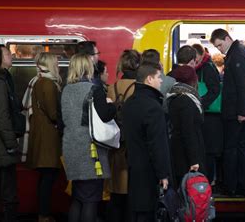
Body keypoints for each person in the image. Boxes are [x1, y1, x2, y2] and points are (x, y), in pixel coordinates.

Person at [61, 54, 116, 222]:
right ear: (87, 68)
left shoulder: (65, 90)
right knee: (91, 200)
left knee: (78, 198)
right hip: (90, 151)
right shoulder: (94, 89)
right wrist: (111, 104)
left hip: (71, 148)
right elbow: (105, 116)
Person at [210, 28, 245, 196]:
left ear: (227, 38)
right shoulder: (241, 51)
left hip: (236, 113)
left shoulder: (236, 54)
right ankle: (243, 185)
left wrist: (242, 111)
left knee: (233, 148)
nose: (219, 49)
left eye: (220, 45)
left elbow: (241, 84)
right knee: (243, 147)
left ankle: (234, 186)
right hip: (241, 110)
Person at [122, 62, 171, 222]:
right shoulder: (153, 107)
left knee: (136, 210)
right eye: (158, 77)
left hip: (133, 165)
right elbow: (157, 144)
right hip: (148, 169)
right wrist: (163, 173)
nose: (161, 81)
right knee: (148, 211)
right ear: (149, 79)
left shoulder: (129, 103)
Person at [23, 52, 62, 222]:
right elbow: (53, 113)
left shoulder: (38, 81)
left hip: (41, 135)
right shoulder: (48, 84)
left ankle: (42, 213)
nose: (59, 65)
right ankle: (44, 214)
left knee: (45, 177)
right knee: (48, 177)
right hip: (48, 137)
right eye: (56, 62)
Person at [106, 49, 141, 222]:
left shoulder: (112, 88)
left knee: (116, 193)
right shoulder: (140, 88)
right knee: (133, 193)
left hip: (115, 143)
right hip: (135, 144)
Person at [0, 46, 19, 222]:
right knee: (8, 194)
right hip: (0, 148)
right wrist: (11, 145)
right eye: (6, 54)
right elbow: (2, 117)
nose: (11, 55)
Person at [167, 65, 207, 186]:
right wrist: (194, 160)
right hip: (186, 156)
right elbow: (188, 131)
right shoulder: (186, 100)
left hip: (179, 151)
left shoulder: (175, 96)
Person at [192, 44, 223, 184]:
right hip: (205, 114)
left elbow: (215, 90)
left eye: (196, 59)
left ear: (201, 55)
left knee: (208, 151)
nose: (194, 62)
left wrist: (201, 104)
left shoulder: (208, 68)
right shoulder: (202, 68)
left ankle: (209, 181)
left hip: (210, 116)